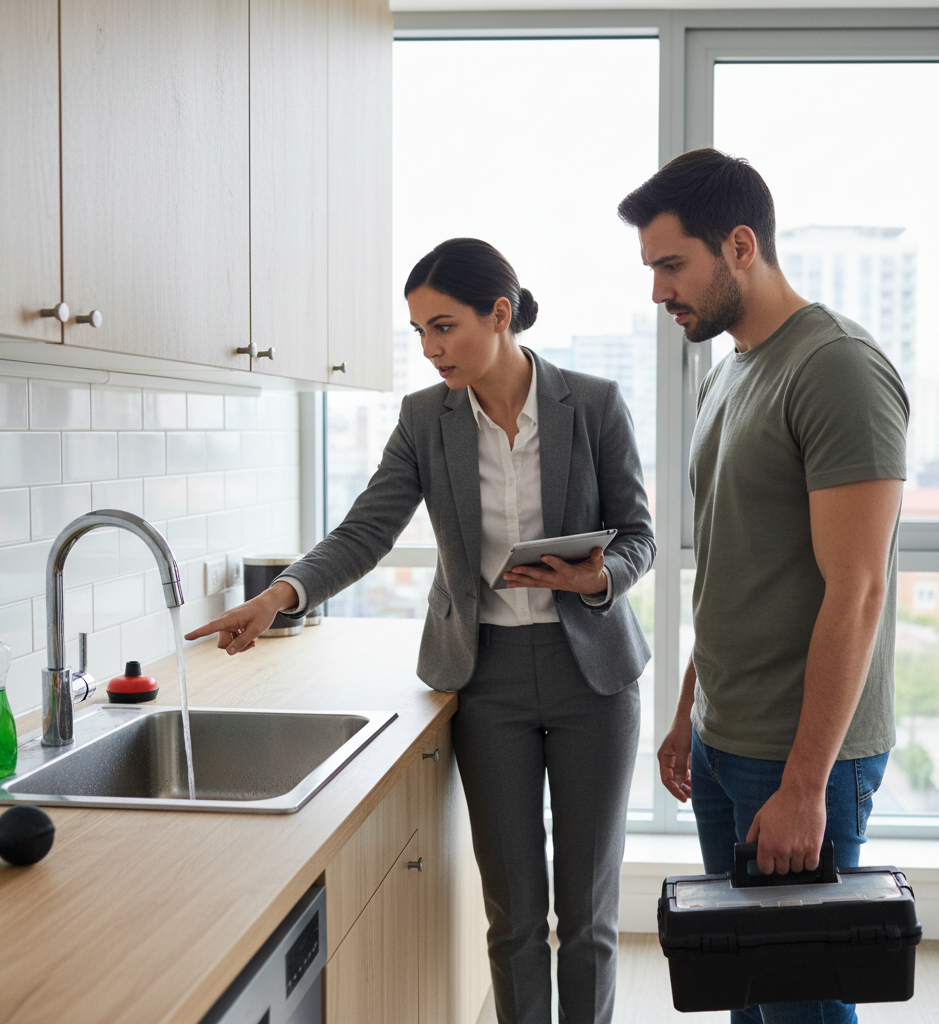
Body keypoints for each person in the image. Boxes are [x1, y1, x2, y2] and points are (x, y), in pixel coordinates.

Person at [185, 238, 655, 1024]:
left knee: (587, 913)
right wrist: (281, 597)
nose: (431, 349)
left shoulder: (594, 404)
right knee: (511, 914)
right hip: (487, 678)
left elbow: (638, 534)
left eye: (444, 326)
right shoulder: (424, 419)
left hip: (594, 677)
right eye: (419, 333)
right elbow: (365, 532)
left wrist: (597, 577)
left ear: (498, 315)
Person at [618, 149, 909, 1024]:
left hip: (797, 754)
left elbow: (856, 592)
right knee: (746, 992)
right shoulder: (731, 372)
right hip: (724, 737)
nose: (659, 291)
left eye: (673, 265)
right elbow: (736, 568)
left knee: (801, 1006)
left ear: (740, 245)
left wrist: (807, 786)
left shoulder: (838, 369)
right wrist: (686, 713)